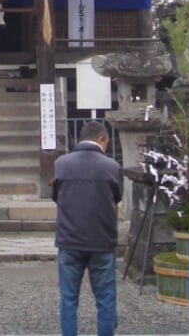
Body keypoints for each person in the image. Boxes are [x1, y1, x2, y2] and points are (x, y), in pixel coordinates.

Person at [51, 120, 123, 336]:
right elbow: (118, 196)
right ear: (102, 139)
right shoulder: (112, 166)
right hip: (101, 240)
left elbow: (56, 196)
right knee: (105, 299)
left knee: (69, 299)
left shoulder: (61, 164)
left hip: (70, 239)